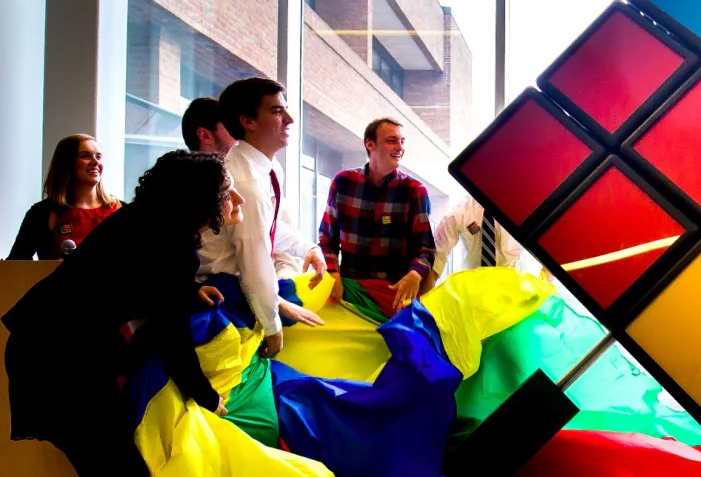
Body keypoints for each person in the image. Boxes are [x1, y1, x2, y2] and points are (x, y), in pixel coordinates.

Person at [3, 151, 239, 477]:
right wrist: (206, 395)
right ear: (198, 196)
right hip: (56, 357)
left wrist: (187, 293)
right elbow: (173, 339)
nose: (227, 199)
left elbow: (132, 286)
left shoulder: (145, 222)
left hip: (51, 348)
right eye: (222, 190)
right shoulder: (170, 240)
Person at [198, 78, 327, 359]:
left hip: (244, 284)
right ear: (248, 122)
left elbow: (269, 227)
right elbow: (253, 256)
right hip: (220, 295)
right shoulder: (243, 179)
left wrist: (308, 248)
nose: (290, 119)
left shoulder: (267, 168)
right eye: (277, 111)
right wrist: (272, 327)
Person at [319, 117, 435, 315]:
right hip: (349, 294)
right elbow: (327, 237)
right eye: (392, 140)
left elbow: (425, 248)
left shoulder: (415, 190)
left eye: (402, 141)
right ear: (370, 144)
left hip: (393, 297)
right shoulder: (343, 182)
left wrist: (415, 274)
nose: (400, 147)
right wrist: (332, 272)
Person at [182, 96, 304, 277]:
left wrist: (304, 253)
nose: (243, 135)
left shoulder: (266, 170)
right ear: (205, 135)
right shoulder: (184, 187)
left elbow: (276, 230)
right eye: (232, 129)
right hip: (215, 289)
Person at [8, 134, 121, 260]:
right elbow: (16, 264)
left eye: (99, 157)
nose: (95, 162)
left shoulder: (121, 209)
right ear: (67, 164)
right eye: (85, 156)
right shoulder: (41, 213)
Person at [429, 196, 523, 287]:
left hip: (512, 285)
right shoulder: (460, 211)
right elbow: (437, 259)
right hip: (473, 287)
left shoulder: (521, 208)